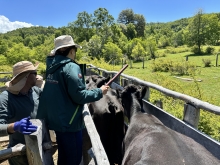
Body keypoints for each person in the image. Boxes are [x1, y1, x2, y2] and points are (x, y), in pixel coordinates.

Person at [37, 35, 109, 165]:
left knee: (63, 155)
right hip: (69, 123)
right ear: (71, 51)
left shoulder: (52, 67)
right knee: (74, 159)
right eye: (75, 50)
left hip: (57, 120)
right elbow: (79, 96)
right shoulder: (71, 67)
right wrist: (100, 91)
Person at [0, 61, 40, 165]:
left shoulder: (35, 91)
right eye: (34, 73)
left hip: (40, 148)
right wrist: (15, 126)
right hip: (20, 155)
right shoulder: (6, 98)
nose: (37, 76)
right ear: (26, 77)